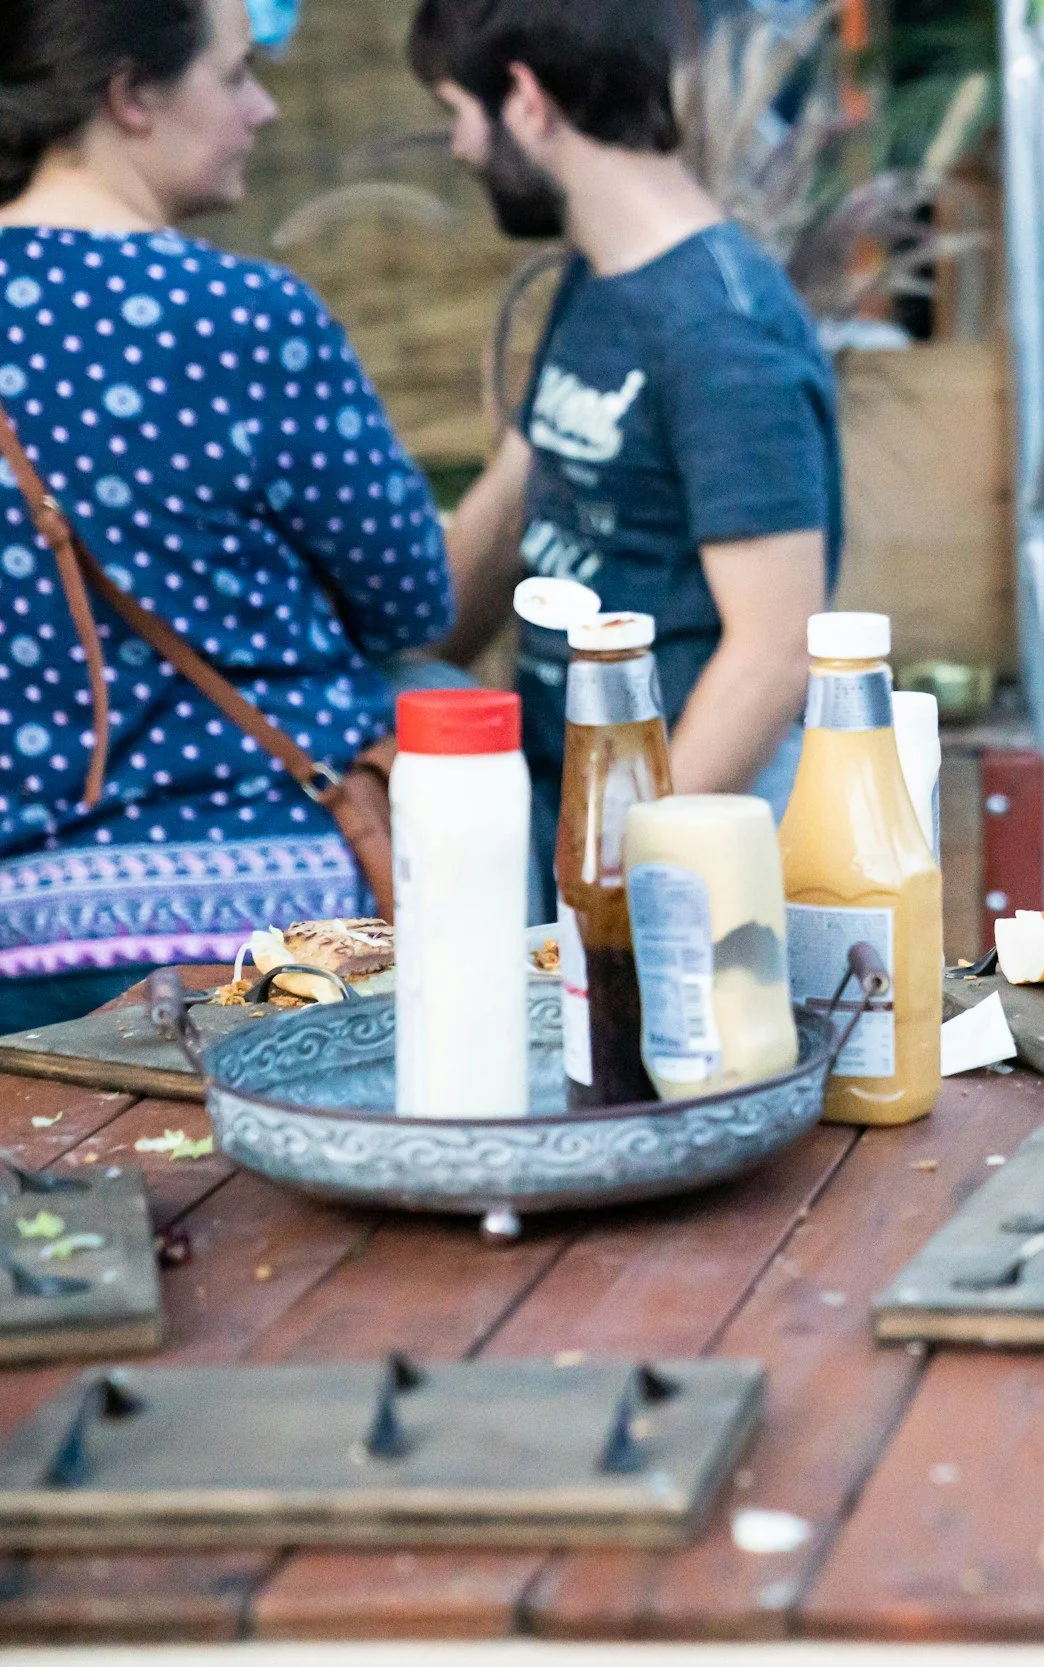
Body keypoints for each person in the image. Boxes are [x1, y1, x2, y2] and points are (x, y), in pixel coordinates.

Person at [0, 0, 453, 1033]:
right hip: (281, 932)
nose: (265, 107)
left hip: (20, 937)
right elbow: (410, 597)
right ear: (130, 96)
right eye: (237, 74)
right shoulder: (248, 317)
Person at [408, 0, 838, 901]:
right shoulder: (600, 278)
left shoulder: (726, 329)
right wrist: (400, 658)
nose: (458, 147)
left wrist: (618, 874)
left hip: (681, 832)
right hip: (563, 803)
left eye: (459, 111)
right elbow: (521, 488)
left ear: (526, 100)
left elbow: (772, 652)